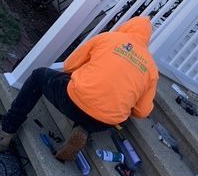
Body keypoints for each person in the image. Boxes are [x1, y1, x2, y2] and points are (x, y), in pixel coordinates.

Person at [0, 16, 159, 161]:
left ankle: (7, 130)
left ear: (126, 27)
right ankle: (83, 128)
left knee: (38, 76)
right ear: (147, 40)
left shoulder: (108, 38)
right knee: (120, 116)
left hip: (72, 102)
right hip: (103, 122)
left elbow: (70, 65)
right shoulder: (151, 69)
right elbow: (142, 112)